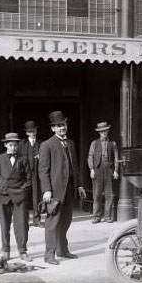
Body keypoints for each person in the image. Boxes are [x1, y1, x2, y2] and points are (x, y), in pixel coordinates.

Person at [39, 111, 87, 265]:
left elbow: (75, 167)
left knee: (66, 221)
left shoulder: (71, 143)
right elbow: (43, 170)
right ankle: (49, 255)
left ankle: (63, 250)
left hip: (69, 189)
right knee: (52, 223)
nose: (62, 128)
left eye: (63, 125)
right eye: (58, 126)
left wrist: (79, 185)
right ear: (53, 128)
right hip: (55, 191)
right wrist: (46, 189)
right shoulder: (46, 145)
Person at [0, 133, 32, 262]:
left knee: (22, 225)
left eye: (15, 145)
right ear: (5, 145)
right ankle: (5, 250)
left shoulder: (23, 159)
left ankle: (23, 251)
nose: (13, 147)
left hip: (19, 196)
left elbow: (29, 179)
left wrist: (23, 191)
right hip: (3, 196)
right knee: (4, 224)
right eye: (10, 145)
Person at [87, 121, 120, 223]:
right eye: (102, 132)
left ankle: (108, 216)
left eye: (105, 131)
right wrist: (91, 169)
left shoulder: (113, 143)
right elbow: (90, 156)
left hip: (109, 169)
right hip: (97, 169)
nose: (104, 133)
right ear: (99, 133)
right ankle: (96, 216)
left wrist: (115, 170)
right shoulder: (94, 143)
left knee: (109, 194)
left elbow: (116, 158)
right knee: (96, 194)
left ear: (108, 131)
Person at [18, 120, 41, 227]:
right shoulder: (22, 144)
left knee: (37, 197)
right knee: (24, 196)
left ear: (36, 131)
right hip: (25, 175)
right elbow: (18, 159)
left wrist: (40, 158)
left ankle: (37, 219)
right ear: (27, 133)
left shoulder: (41, 144)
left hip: (37, 174)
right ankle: (24, 220)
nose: (32, 133)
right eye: (30, 131)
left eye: (33, 130)